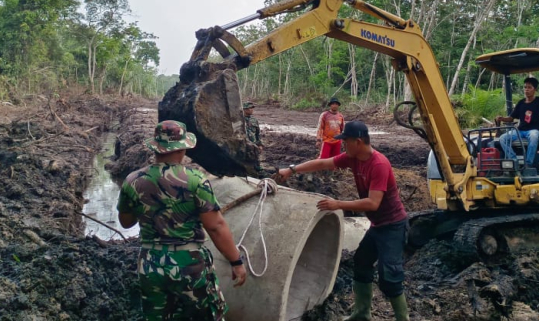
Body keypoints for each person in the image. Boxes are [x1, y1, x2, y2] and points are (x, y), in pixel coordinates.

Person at [276, 121, 410, 321]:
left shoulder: (379, 164)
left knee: (390, 277)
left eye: (345, 141)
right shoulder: (353, 158)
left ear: (358, 141)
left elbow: (373, 203)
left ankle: (403, 318)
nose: (343, 145)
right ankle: (362, 313)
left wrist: (338, 204)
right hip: (377, 225)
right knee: (362, 263)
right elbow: (323, 162)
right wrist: (292, 170)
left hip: (393, 226)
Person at [117, 120, 247, 320]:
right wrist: (236, 261)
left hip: (150, 264)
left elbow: (126, 222)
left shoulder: (133, 180)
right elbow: (215, 227)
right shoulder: (195, 180)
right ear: (182, 148)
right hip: (188, 263)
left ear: (157, 147)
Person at [495, 77, 539, 167]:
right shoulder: (521, 103)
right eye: (525, 87)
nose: (526, 89)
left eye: (529, 87)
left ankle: (528, 164)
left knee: (534, 136)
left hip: (534, 130)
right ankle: (514, 160)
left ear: (535, 89)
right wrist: (502, 118)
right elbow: (511, 118)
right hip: (520, 131)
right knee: (503, 138)